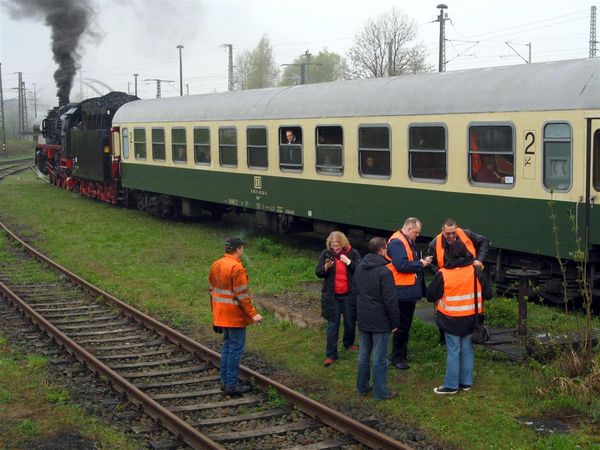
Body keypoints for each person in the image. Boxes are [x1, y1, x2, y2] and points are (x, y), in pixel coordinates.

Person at [427, 259, 493, 394]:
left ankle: (451, 385)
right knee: (467, 349)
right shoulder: (476, 271)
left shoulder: (443, 273)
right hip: (471, 318)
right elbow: (488, 294)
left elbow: (431, 295)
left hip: (451, 319)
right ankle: (466, 383)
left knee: (453, 350)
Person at [209, 237, 263, 396]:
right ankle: (231, 384)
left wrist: (215, 315)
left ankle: (224, 382)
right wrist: (254, 314)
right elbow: (242, 296)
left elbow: (212, 291)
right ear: (238, 249)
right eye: (242, 248)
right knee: (235, 349)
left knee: (226, 347)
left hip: (221, 315)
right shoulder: (236, 268)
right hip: (234, 317)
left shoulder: (216, 264)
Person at [353, 237, 400, 400]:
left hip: (364, 317)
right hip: (380, 320)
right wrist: (395, 322)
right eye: (386, 248)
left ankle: (362, 387)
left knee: (364, 355)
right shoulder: (384, 271)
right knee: (380, 357)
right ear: (381, 250)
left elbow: (356, 292)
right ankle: (381, 392)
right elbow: (390, 299)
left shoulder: (359, 267)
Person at [387, 217, 432, 370]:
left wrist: (422, 261)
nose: (417, 235)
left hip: (406, 291)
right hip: (401, 292)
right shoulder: (397, 242)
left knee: (404, 326)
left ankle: (400, 354)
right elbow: (401, 265)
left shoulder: (405, 241)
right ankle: (397, 357)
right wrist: (420, 264)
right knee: (401, 326)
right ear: (409, 229)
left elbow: (407, 261)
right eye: (417, 233)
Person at [316, 231, 361, 366]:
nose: (335, 248)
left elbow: (360, 271)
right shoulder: (326, 253)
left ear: (343, 243)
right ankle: (331, 354)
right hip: (333, 296)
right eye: (332, 245)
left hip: (348, 295)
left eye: (337, 245)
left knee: (350, 322)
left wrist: (349, 263)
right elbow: (318, 273)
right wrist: (325, 268)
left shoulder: (353, 253)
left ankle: (348, 343)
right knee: (332, 325)